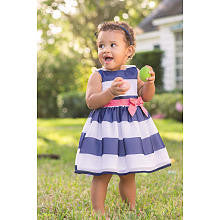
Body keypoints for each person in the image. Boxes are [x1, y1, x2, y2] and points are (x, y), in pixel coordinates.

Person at [74, 21, 171, 216]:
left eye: (112, 45)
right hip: (106, 131)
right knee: (102, 173)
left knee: (128, 173)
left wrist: (150, 83)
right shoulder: (98, 76)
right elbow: (91, 102)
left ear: (129, 51)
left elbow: (146, 96)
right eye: (101, 45)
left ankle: (131, 208)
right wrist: (109, 92)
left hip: (129, 131)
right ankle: (98, 211)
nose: (105, 50)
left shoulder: (133, 72)